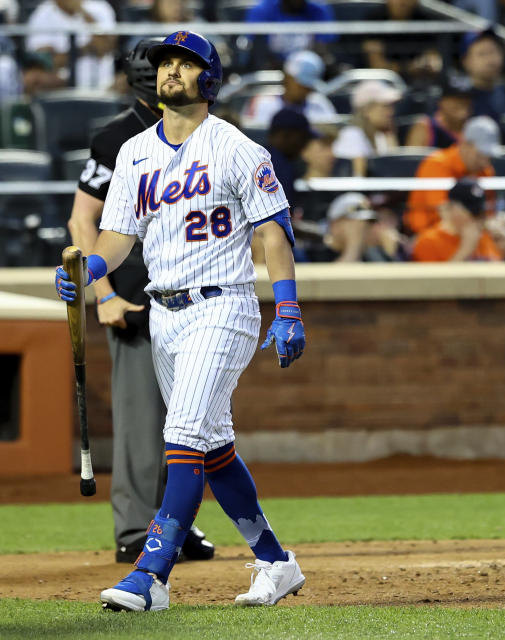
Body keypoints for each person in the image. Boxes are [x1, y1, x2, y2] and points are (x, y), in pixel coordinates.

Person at [55, 30, 307, 611]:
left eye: (185, 63)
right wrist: (88, 269)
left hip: (223, 305)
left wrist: (288, 306)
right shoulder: (134, 152)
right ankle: (274, 562)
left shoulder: (239, 148)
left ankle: (152, 575)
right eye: (164, 62)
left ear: (210, 79)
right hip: (164, 313)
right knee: (214, 447)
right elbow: (117, 239)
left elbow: (274, 232)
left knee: (184, 437)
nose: (170, 71)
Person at [64, 38, 215, 566]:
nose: (171, 74)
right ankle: (134, 527)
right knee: (140, 420)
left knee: (189, 418)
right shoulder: (117, 137)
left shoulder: (207, 133)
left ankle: (175, 525)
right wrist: (99, 293)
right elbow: (83, 220)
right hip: (130, 290)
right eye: (163, 66)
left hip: (193, 290)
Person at [404, 116, 499, 234]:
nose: (485, 163)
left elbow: (489, 213)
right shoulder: (437, 164)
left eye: (489, 158)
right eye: (480, 156)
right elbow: (445, 217)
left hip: (473, 232)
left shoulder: (486, 171)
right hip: (431, 236)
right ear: (465, 145)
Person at [25, 0, 117, 89]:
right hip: (60, 84)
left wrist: (81, 11)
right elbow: (46, 62)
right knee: (32, 78)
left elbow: (104, 48)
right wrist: (86, 49)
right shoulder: (42, 13)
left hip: (100, 84)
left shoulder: (101, 8)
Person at [412, 180, 503, 262]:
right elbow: (433, 279)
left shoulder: (483, 237)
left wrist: (504, 249)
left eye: (478, 212)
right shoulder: (428, 242)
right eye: (471, 211)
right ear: (450, 207)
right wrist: (465, 249)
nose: (476, 217)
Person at [241, 50, 336, 128]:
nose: (307, 90)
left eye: (309, 86)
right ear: (287, 77)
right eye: (302, 84)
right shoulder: (261, 103)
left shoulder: (320, 104)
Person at [332, 80, 401, 176]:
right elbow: (357, 179)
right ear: (366, 110)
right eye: (385, 106)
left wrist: (390, 137)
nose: (391, 112)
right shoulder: (352, 135)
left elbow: (394, 174)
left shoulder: (381, 136)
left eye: (391, 106)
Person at [245, 0, 336, 62]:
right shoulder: (262, 9)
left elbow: (322, 48)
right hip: (271, 71)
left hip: (308, 72)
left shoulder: (319, 10)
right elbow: (257, 48)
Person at [265, 107, 316, 206]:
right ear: (284, 136)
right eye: (302, 137)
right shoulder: (278, 166)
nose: (305, 143)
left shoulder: (263, 156)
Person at [404, 76, 473, 149]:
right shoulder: (425, 127)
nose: (462, 103)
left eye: (467, 98)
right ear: (441, 101)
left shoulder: (475, 128)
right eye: (456, 98)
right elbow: (412, 159)